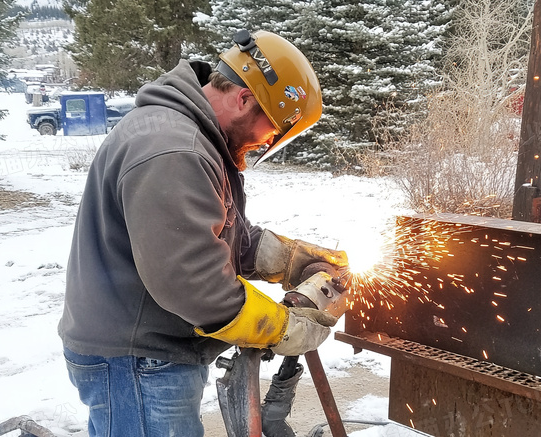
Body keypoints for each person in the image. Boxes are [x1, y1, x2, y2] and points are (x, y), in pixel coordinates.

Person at [58, 30, 349, 437]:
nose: (266, 141)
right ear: (244, 99)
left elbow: (215, 232)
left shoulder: (192, 134)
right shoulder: (176, 151)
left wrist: (289, 260)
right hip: (136, 359)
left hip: (146, 348)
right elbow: (194, 284)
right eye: (272, 130)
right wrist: (283, 327)